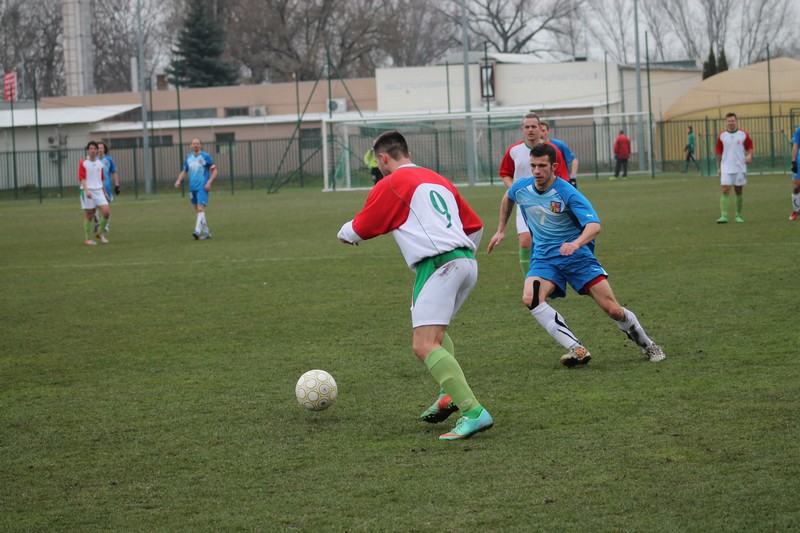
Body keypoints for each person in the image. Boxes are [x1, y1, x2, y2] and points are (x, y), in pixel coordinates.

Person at [338, 130, 493, 441]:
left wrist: (344, 233)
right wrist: (461, 257)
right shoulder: (439, 179)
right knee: (434, 334)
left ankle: (474, 412)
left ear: (383, 158)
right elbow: (475, 225)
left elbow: (360, 227)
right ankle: (448, 395)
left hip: (438, 264)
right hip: (466, 261)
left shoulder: (392, 182)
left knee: (424, 345)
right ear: (407, 153)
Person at [487, 143, 665, 366]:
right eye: (533, 166)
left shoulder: (567, 192)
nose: (536, 171)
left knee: (613, 310)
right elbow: (508, 197)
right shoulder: (522, 187)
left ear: (554, 167)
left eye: (542, 166)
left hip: (578, 258)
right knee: (531, 298)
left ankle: (648, 345)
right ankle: (577, 349)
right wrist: (500, 230)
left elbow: (594, 225)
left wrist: (576, 243)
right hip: (544, 259)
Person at [499, 113, 570, 276]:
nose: (530, 130)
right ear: (522, 129)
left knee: (551, 242)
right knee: (525, 241)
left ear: (540, 128)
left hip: (548, 202)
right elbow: (505, 173)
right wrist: (514, 190)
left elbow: (562, 177)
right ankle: (529, 280)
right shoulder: (514, 150)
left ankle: (551, 277)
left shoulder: (552, 151)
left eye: (533, 126)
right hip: (525, 202)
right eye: (527, 127)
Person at [174, 138, 217, 239]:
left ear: (201, 145)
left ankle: (197, 231)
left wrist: (209, 182)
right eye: (194, 143)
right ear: (191, 145)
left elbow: (214, 170)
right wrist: (178, 180)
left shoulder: (206, 156)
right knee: (198, 211)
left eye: (197, 143)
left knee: (200, 209)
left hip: (202, 186)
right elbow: (185, 170)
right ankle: (206, 233)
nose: (195, 145)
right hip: (192, 187)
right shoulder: (188, 157)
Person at [715, 113, 753, 224]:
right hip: (726, 168)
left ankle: (738, 216)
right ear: (726, 122)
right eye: (729, 121)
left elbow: (750, 147)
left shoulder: (743, 134)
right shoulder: (722, 136)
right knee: (725, 189)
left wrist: (749, 155)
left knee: (738, 191)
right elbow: (719, 153)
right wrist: (719, 168)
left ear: (736, 121)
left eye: (732, 121)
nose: (731, 123)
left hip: (740, 168)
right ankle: (723, 216)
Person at [78, 141, 111, 245]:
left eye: (94, 149)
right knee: (89, 215)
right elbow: (82, 178)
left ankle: (100, 233)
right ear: (88, 150)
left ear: (97, 151)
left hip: (99, 191)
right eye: (91, 148)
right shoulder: (83, 162)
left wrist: (105, 193)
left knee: (106, 212)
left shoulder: (100, 164)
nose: (93, 150)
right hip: (87, 191)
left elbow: (102, 179)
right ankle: (88, 239)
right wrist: (87, 190)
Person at [541, 120, 579, 187]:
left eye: (543, 130)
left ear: (548, 131)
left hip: (561, 181)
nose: (541, 133)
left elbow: (574, 160)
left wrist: (573, 178)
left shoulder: (558, 145)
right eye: (539, 131)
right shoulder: (534, 147)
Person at [93, 141, 120, 234]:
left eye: (102, 148)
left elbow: (114, 172)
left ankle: (105, 226)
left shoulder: (109, 160)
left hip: (106, 186)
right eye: (98, 148)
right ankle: (98, 221)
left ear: (104, 149)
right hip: (96, 187)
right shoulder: (93, 160)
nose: (100, 150)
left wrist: (117, 185)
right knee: (94, 205)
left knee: (106, 207)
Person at [789, 125, 800, 221]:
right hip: (799, 160)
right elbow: (795, 145)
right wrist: (793, 161)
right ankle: (796, 210)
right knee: (797, 186)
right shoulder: (799, 130)